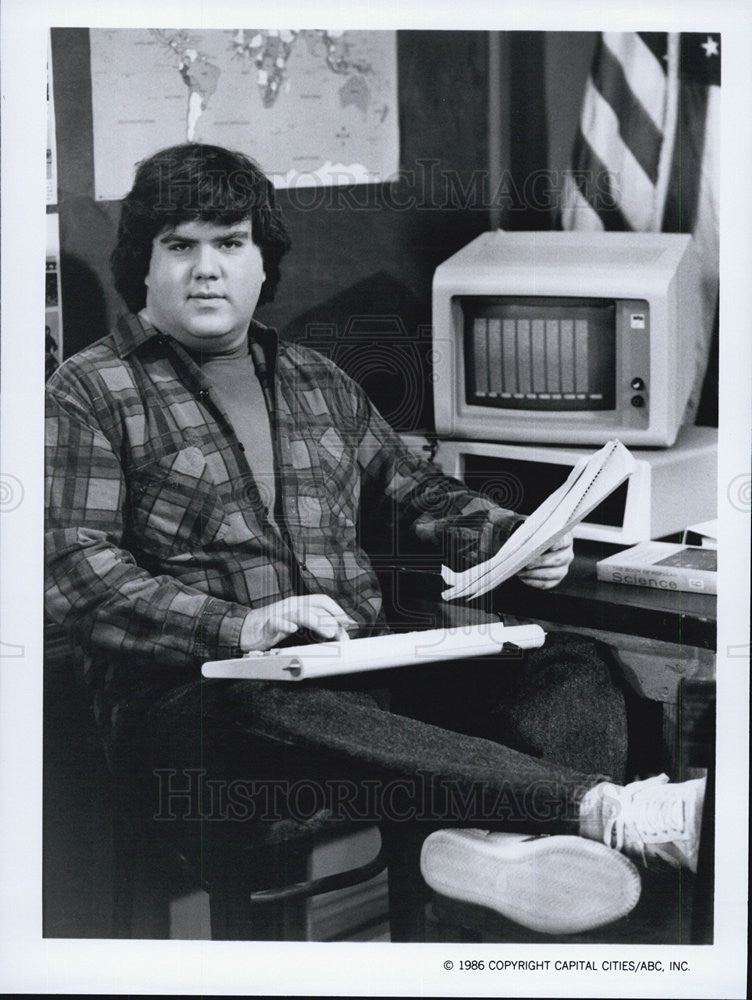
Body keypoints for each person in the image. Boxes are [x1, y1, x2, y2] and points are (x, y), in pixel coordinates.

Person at [45, 144, 704, 937]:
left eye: (230, 243)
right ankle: (599, 812)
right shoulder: (89, 390)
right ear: (142, 266)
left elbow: (418, 489)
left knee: (565, 659)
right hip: (197, 709)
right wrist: (241, 627)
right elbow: (75, 570)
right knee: (261, 691)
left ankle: (501, 852)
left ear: (263, 262)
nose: (207, 269)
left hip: (349, 674)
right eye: (179, 246)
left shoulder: (315, 379)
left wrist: (516, 535)